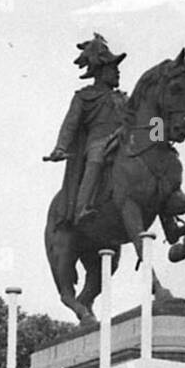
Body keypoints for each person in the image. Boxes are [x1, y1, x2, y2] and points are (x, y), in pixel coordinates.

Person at [43, 34, 128, 225]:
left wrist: (159, 135)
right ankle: (81, 209)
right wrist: (60, 148)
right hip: (98, 142)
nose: (117, 72)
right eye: (112, 67)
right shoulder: (84, 96)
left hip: (122, 140)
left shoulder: (123, 99)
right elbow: (70, 124)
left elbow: (142, 118)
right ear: (100, 70)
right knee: (96, 160)